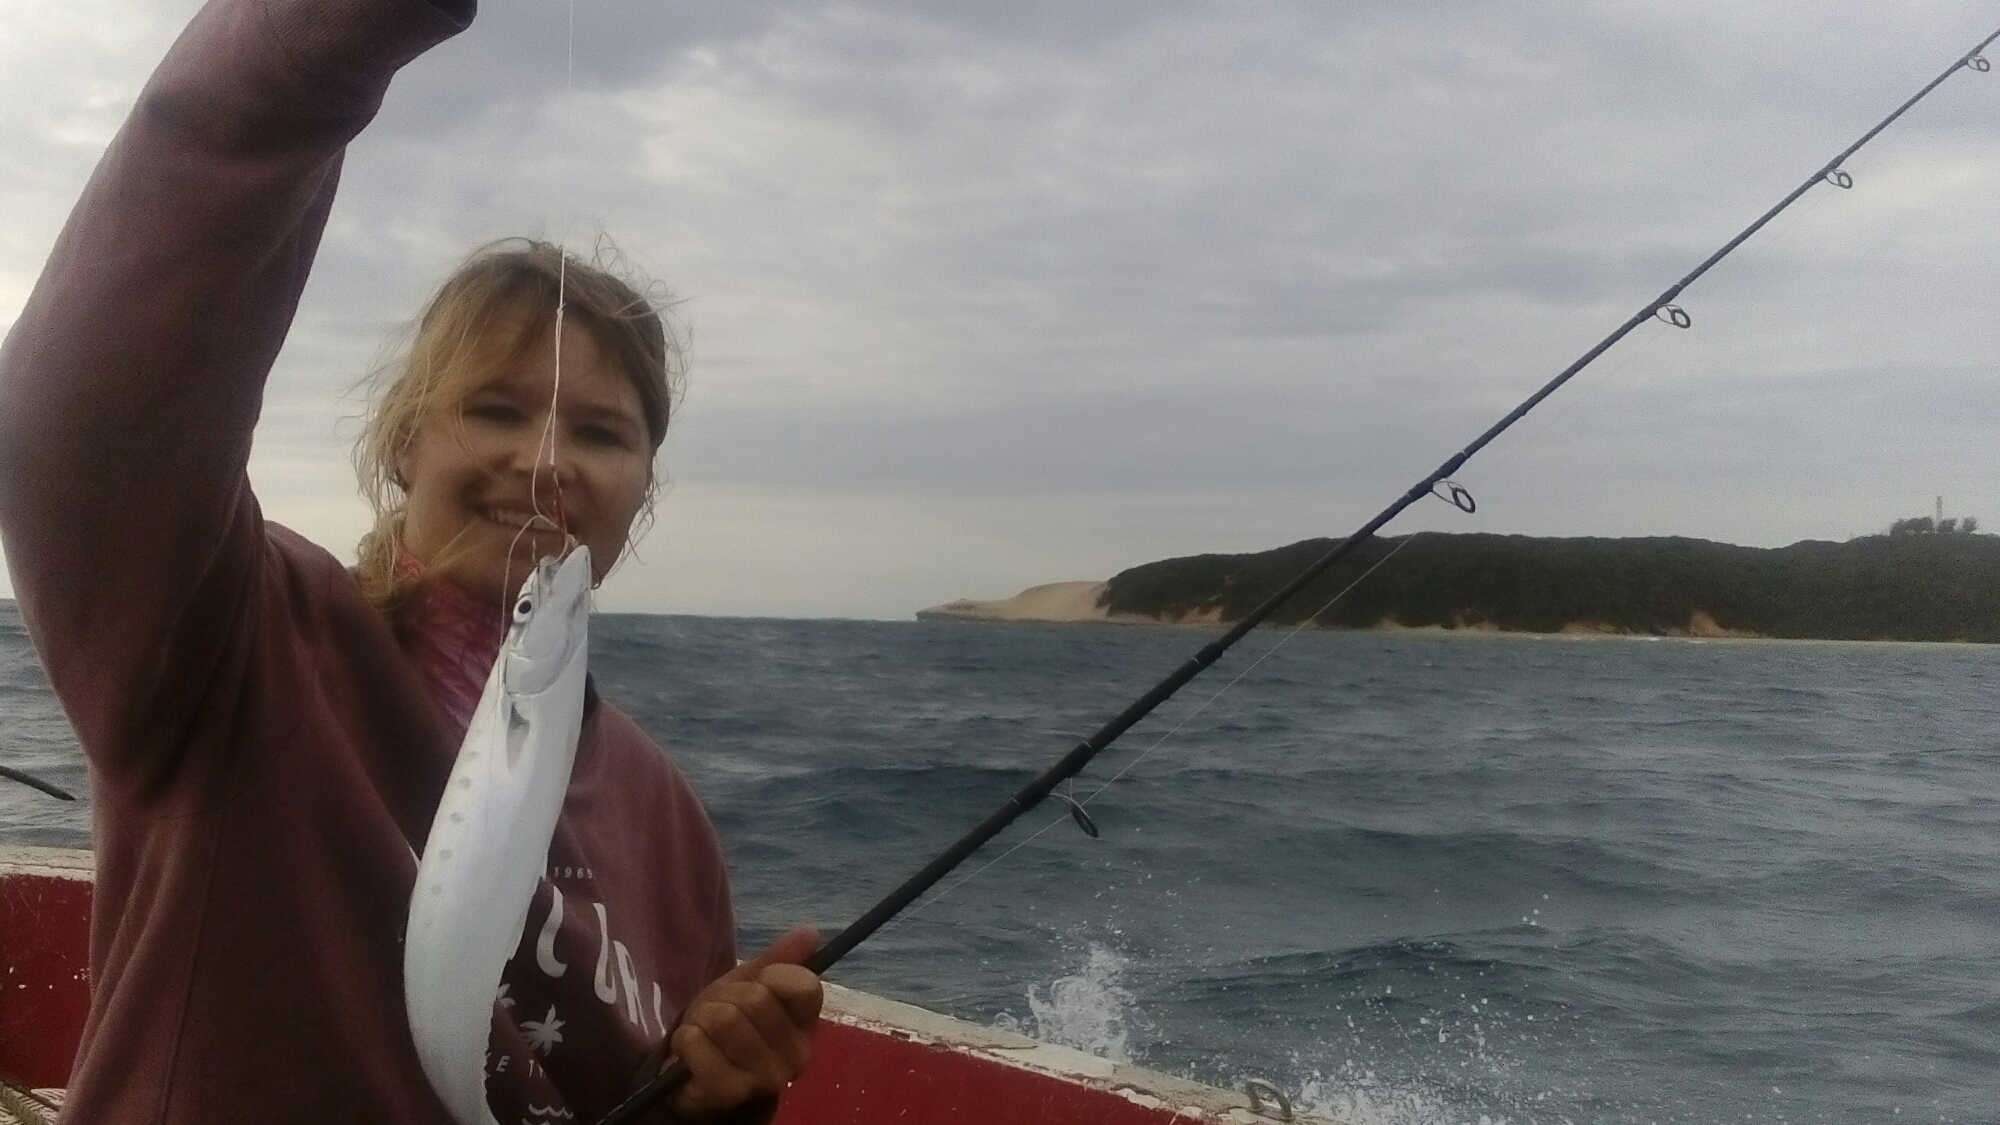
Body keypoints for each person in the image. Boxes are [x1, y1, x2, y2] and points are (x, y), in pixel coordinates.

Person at [0, 0, 821, 1122]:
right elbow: (83, 422)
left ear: (644, 483)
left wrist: (705, 1096)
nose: (544, 465)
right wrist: (331, 36)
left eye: (600, 432)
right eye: (493, 410)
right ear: (402, 444)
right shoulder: (235, 640)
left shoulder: (664, 825)